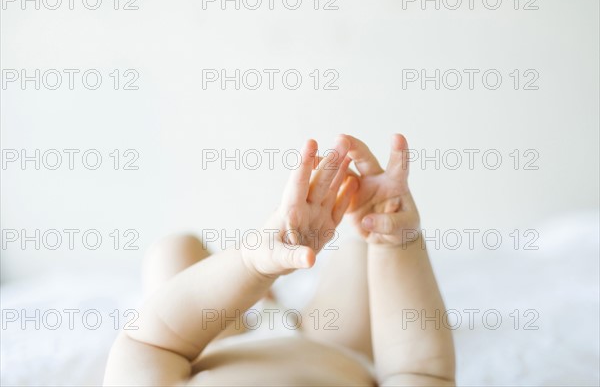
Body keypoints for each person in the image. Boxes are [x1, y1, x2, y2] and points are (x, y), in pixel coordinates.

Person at [104, 134, 455, 386]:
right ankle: (371, 229)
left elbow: (149, 341)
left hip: (204, 345)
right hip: (332, 347)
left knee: (173, 252)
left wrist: (251, 263)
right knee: (360, 258)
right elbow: (421, 369)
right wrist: (394, 241)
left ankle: (257, 284)